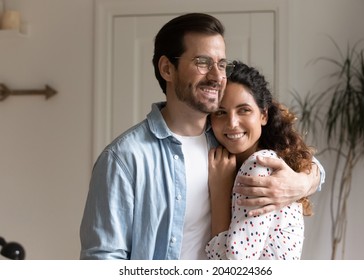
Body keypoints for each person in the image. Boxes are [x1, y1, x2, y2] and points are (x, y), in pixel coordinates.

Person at [80, 13, 325, 260]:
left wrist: (301, 183)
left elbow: (302, 162)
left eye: (221, 64)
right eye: (202, 62)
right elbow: (103, 258)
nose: (217, 76)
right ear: (167, 68)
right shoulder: (125, 158)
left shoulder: (226, 137)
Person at [206, 61, 315, 260]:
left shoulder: (259, 165)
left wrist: (219, 194)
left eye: (243, 110)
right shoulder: (248, 162)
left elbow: (234, 265)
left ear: (263, 114)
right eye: (220, 112)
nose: (232, 123)